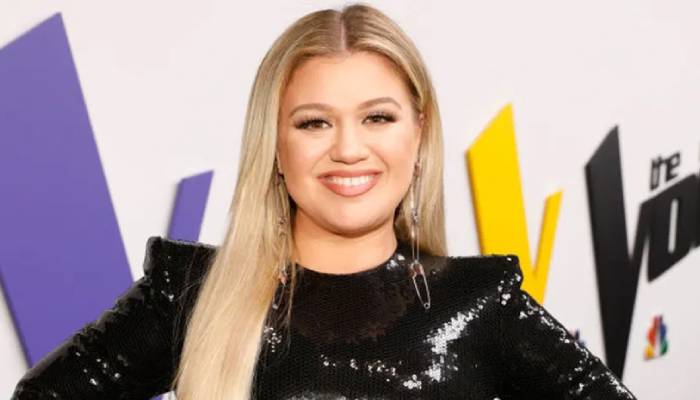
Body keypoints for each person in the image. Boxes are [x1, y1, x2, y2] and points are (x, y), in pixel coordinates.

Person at [11, 3, 638, 399]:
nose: (348, 149)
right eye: (314, 123)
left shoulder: (479, 303)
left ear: (419, 134)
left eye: (378, 117)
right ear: (274, 145)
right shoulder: (192, 295)